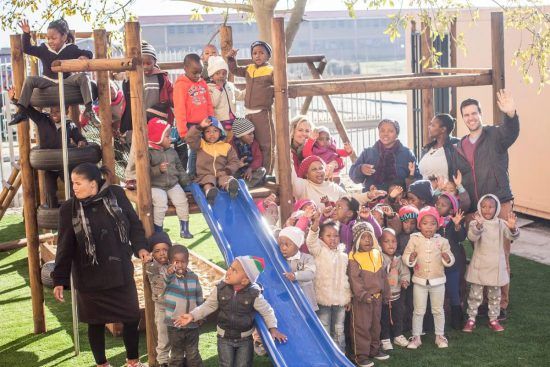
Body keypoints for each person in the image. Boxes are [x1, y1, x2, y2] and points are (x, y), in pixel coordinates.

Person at [52, 163, 149, 367]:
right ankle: (102, 364)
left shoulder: (116, 194)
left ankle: (133, 361)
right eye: (72, 183)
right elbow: (64, 246)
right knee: (95, 323)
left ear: (93, 183)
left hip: (120, 271)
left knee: (131, 317)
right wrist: (59, 279)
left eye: (78, 183)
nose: (74, 188)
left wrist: (140, 247)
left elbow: (133, 223)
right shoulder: (69, 208)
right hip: (90, 277)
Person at [454, 90, 520, 320]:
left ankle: (500, 304)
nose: (471, 117)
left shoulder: (495, 135)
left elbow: (512, 132)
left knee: (501, 256)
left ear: (480, 114)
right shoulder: (459, 147)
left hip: (499, 202)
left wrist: (511, 114)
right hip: (475, 208)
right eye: (466, 114)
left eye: (474, 113)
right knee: (481, 255)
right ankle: (482, 301)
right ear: (462, 118)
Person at [175, 256, 287, 367]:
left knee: (243, 364)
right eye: (230, 267)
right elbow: (209, 305)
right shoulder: (220, 288)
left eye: (234, 270)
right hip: (224, 337)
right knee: (225, 364)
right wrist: (192, 315)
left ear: (245, 280)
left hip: (245, 339)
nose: (228, 271)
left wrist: (273, 329)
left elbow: (267, 311)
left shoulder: (254, 294)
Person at [9, 19, 99, 126]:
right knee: (29, 79)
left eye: (54, 38)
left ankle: (89, 110)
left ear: (64, 37)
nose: (50, 41)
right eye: (48, 38)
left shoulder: (71, 49)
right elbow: (27, 49)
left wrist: (85, 56)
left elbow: (88, 52)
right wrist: (26, 33)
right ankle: (22, 112)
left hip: (66, 81)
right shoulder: (44, 48)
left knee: (83, 77)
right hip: (47, 81)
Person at [7, 88, 87, 208]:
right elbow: (29, 109)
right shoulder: (42, 119)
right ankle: (53, 211)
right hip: (48, 165)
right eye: (52, 111)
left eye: (58, 111)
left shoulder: (70, 125)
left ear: (66, 111)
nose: (54, 114)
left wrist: (81, 142)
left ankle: (75, 208)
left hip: (64, 163)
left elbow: (79, 138)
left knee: (72, 187)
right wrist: (14, 99)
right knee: (50, 191)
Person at [463, 194, 519, 333]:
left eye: (491, 207)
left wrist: (512, 228)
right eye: (484, 206)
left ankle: (493, 319)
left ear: (497, 208)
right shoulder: (474, 223)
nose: (487, 210)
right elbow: (472, 236)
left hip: (495, 267)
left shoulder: (501, 224)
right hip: (479, 266)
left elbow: (512, 236)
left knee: (495, 295)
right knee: (475, 294)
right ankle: (471, 318)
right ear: (479, 208)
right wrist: (478, 226)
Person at [123, 41, 174, 189]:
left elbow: (171, 95)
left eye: (148, 63)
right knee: (137, 145)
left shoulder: (160, 77)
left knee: (160, 147)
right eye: (142, 63)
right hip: (140, 119)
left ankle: (165, 176)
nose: (145, 66)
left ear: (155, 62)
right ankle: (132, 176)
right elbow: (124, 87)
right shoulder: (133, 75)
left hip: (156, 117)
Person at [402, 206, 455, 349]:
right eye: (425, 223)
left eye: (433, 223)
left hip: (438, 282)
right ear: (419, 225)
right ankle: (416, 337)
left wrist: (447, 258)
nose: (429, 227)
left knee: (438, 310)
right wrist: (410, 258)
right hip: (419, 282)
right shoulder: (414, 239)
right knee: (418, 310)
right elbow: (406, 256)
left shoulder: (443, 241)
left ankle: (439, 336)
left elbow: (451, 258)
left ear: (438, 225)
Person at [226, 41, 275, 173]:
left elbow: (280, 86)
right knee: (253, 142)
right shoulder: (249, 69)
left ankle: (267, 172)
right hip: (248, 113)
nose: (258, 56)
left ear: (268, 55)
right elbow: (234, 70)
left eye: (261, 53)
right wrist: (231, 59)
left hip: (262, 112)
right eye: (254, 53)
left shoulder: (271, 71)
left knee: (266, 143)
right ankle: (252, 170)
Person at [306, 212, 351, 352]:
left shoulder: (343, 256)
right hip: (323, 300)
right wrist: (315, 224)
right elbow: (311, 241)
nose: (333, 239)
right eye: (329, 235)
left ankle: (340, 357)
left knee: (338, 330)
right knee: (324, 328)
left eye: (336, 235)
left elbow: (346, 278)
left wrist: (348, 297)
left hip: (340, 301)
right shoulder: (319, 251)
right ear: (321, 238)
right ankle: (326, 356)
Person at [348, 222, 391, 366]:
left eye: (370, 237)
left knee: (375, 326)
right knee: (361, 327)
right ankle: (360, 356)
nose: (367, 240)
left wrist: (386, 293)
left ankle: (374, 350)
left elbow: (383, 276)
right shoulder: (354, 257)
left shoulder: (377, 253)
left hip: (377, 299)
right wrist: (364, 296)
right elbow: (355, 280)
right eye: (363, 237)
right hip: (362, 300)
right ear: (357, 240)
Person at [147, 118, 192, 237]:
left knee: (182, 201)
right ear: (158, 138)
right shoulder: (149, 153)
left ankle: (184, 228)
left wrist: (185, 181)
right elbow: (145, 172)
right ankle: (158, 230)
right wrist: (158, 170)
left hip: (172, 183)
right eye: (167, 136)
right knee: (161, 202)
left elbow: (180, 168)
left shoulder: (172, 152)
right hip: (156, 185)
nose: (171, 139)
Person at [350, 119, 420, 192]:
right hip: (372, 200)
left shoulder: (407, 154)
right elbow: (354, 177)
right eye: (382, 131)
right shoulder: (368, 153)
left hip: (398, 201)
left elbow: (417, 179)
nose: (385, 134)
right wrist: (360, 169)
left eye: (390, 131)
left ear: (397, 134)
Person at [174, 53, 214, 178]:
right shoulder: (181, 85)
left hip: (204, 122)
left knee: (205, 149)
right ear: (185, 68)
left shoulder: (202, 83)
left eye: (200, 72)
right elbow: (179, 109)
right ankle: (191, 176)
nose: (197, 76)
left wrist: (211, 118)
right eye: (194, 72)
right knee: (195, 151)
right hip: (190, 125)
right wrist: (183, 131)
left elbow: (208, 103)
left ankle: (202, 173)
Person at [164, 245, 204, 367]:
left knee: (193, 354)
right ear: (170, 262)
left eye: (183, 262)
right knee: (177, 355)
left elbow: (199, 296)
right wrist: (169, 273)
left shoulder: (193, 277)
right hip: (174, 324)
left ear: (187, 261)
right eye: (176, 262)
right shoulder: (169, 278)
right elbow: (165, 279)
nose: (180, 265)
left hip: (191, 323)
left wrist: (200, 315)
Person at [186, 117, 242, 202]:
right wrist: (199, 127)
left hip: (222, 173)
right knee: (208, 181)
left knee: (226, 179)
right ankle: (210, 193)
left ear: (220, 133)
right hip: (205, 175)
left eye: (215, 131)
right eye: (207, 131)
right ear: (203, 134)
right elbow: (189, 138)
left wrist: (226, 171)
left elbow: (234, 162)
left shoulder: (226, 147)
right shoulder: (200, 145)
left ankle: (230, 188)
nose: (211, 134)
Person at [292, 155, 379, 210]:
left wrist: (368, 195)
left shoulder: (332, 187)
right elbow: (292, 178)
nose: (319, 171)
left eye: (321, 168)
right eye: (314, 169)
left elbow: (349, 200)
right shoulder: (303, 185)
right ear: (306, 174)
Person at [434, 193, 467, 330]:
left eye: (443, 205)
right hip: (436, 264)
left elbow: (461, 238)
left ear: (451, 209)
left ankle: (457, 320)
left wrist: (458, 226)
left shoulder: (454, 222)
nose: (439, 207)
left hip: (452, 265)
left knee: (453, 291)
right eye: (438, 204)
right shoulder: (433, 221)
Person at [379, 228, 410, 351]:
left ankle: (398, 334)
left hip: (397, 294)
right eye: (387, 241)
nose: (391, 244)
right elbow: (379, 273)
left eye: (393, 241)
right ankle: (385, 338)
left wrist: (404, 280)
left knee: (398, 315)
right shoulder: (380, 257)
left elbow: (405, 272)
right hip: (385, 296)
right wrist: (389, 267)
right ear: (381, 244)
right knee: (384, 317)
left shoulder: (399, 258)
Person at [145, 232, 172, 367]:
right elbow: (156, 270)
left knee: (179, 336)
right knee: (163, 337)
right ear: (152, 254)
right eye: (157, 251)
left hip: (176, 307)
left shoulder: (174, 263)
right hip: (161, 307)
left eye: (165, 250)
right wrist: (149, 260)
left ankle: (180, 358)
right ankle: (163, 362)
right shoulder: (152, 267)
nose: (162, 253)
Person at [277, 226, 318, 311]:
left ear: (297, 245)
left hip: (306, 300)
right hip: (289, 302)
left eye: (287, 244)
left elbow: (310, 273)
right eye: (281, 244)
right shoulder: (279, 260)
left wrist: (295, 275)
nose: (283, 248)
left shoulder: (306, 258)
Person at [207, 55, 245, 138]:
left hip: (234, 120)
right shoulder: (209, 88)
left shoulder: (230, 85)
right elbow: (213, 103)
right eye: (217, 73)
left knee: (234, 141)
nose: (221, 76)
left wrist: (251, 89)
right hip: (220, 121)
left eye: (224, 73)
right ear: (211, 76)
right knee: (224, 141)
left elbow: (240, 96)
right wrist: (218, 88)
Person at [418, 113, 462, 181]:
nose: (429, 127)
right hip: (425, 191)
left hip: (447, 191)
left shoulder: (456, 146)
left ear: (443, 129)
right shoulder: (426, 149)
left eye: (433, 125)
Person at [230, 117, 266, 188]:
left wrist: (250, 168)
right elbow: (229, 162)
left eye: (253, 133)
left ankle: (244, 185)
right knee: (230, 175)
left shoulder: (254, 144)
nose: (252, 136)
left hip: (251, 172)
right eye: (249, 134)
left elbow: (258, 158)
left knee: (262, 170)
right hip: (238, 172)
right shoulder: (231, 145)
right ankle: (239, 184)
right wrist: (238, 164)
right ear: (240, 136)